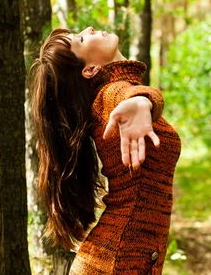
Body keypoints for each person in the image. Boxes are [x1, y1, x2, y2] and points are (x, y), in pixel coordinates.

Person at [30, 27, 181, 275]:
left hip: (116, 257)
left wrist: (145, 100)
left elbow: (139, 94)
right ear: (89, 69)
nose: (88, 29)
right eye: (80, 38)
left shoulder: (116, 92)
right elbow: (129, 97)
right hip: (115, 262)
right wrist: (143, 101)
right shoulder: (109, 98)